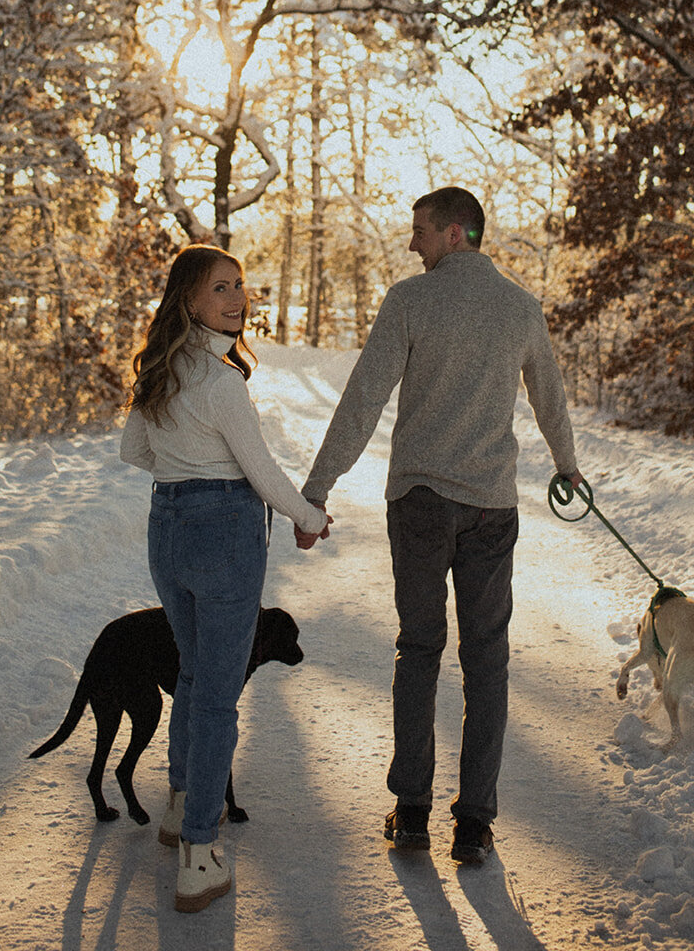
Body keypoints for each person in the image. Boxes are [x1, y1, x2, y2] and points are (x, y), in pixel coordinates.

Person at [297, 186, 583, 865]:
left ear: (456, 233)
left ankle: (413, 811)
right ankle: (475, 823)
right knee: (487, 660)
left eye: (419, 229)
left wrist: (315, 490)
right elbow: (550, 396)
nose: (410, 242)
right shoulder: (520, 308)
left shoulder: (411, 300)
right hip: (490, 507)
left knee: (419, 649)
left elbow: (363, 400)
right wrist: (567, 465)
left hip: (421, 504)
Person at [120, 244, 330, 914]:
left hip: (167, 528)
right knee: (215, 696)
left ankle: (181, 809)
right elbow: (261, 472)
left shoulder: (160, 371)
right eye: (220, 288)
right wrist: (309, 515)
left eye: (239, 285)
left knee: (190, 672)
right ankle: (200, 857)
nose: (237, 298)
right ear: (190, 300)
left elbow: (134, 452)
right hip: (223, 535)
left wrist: (181, 457)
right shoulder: (221, 381)